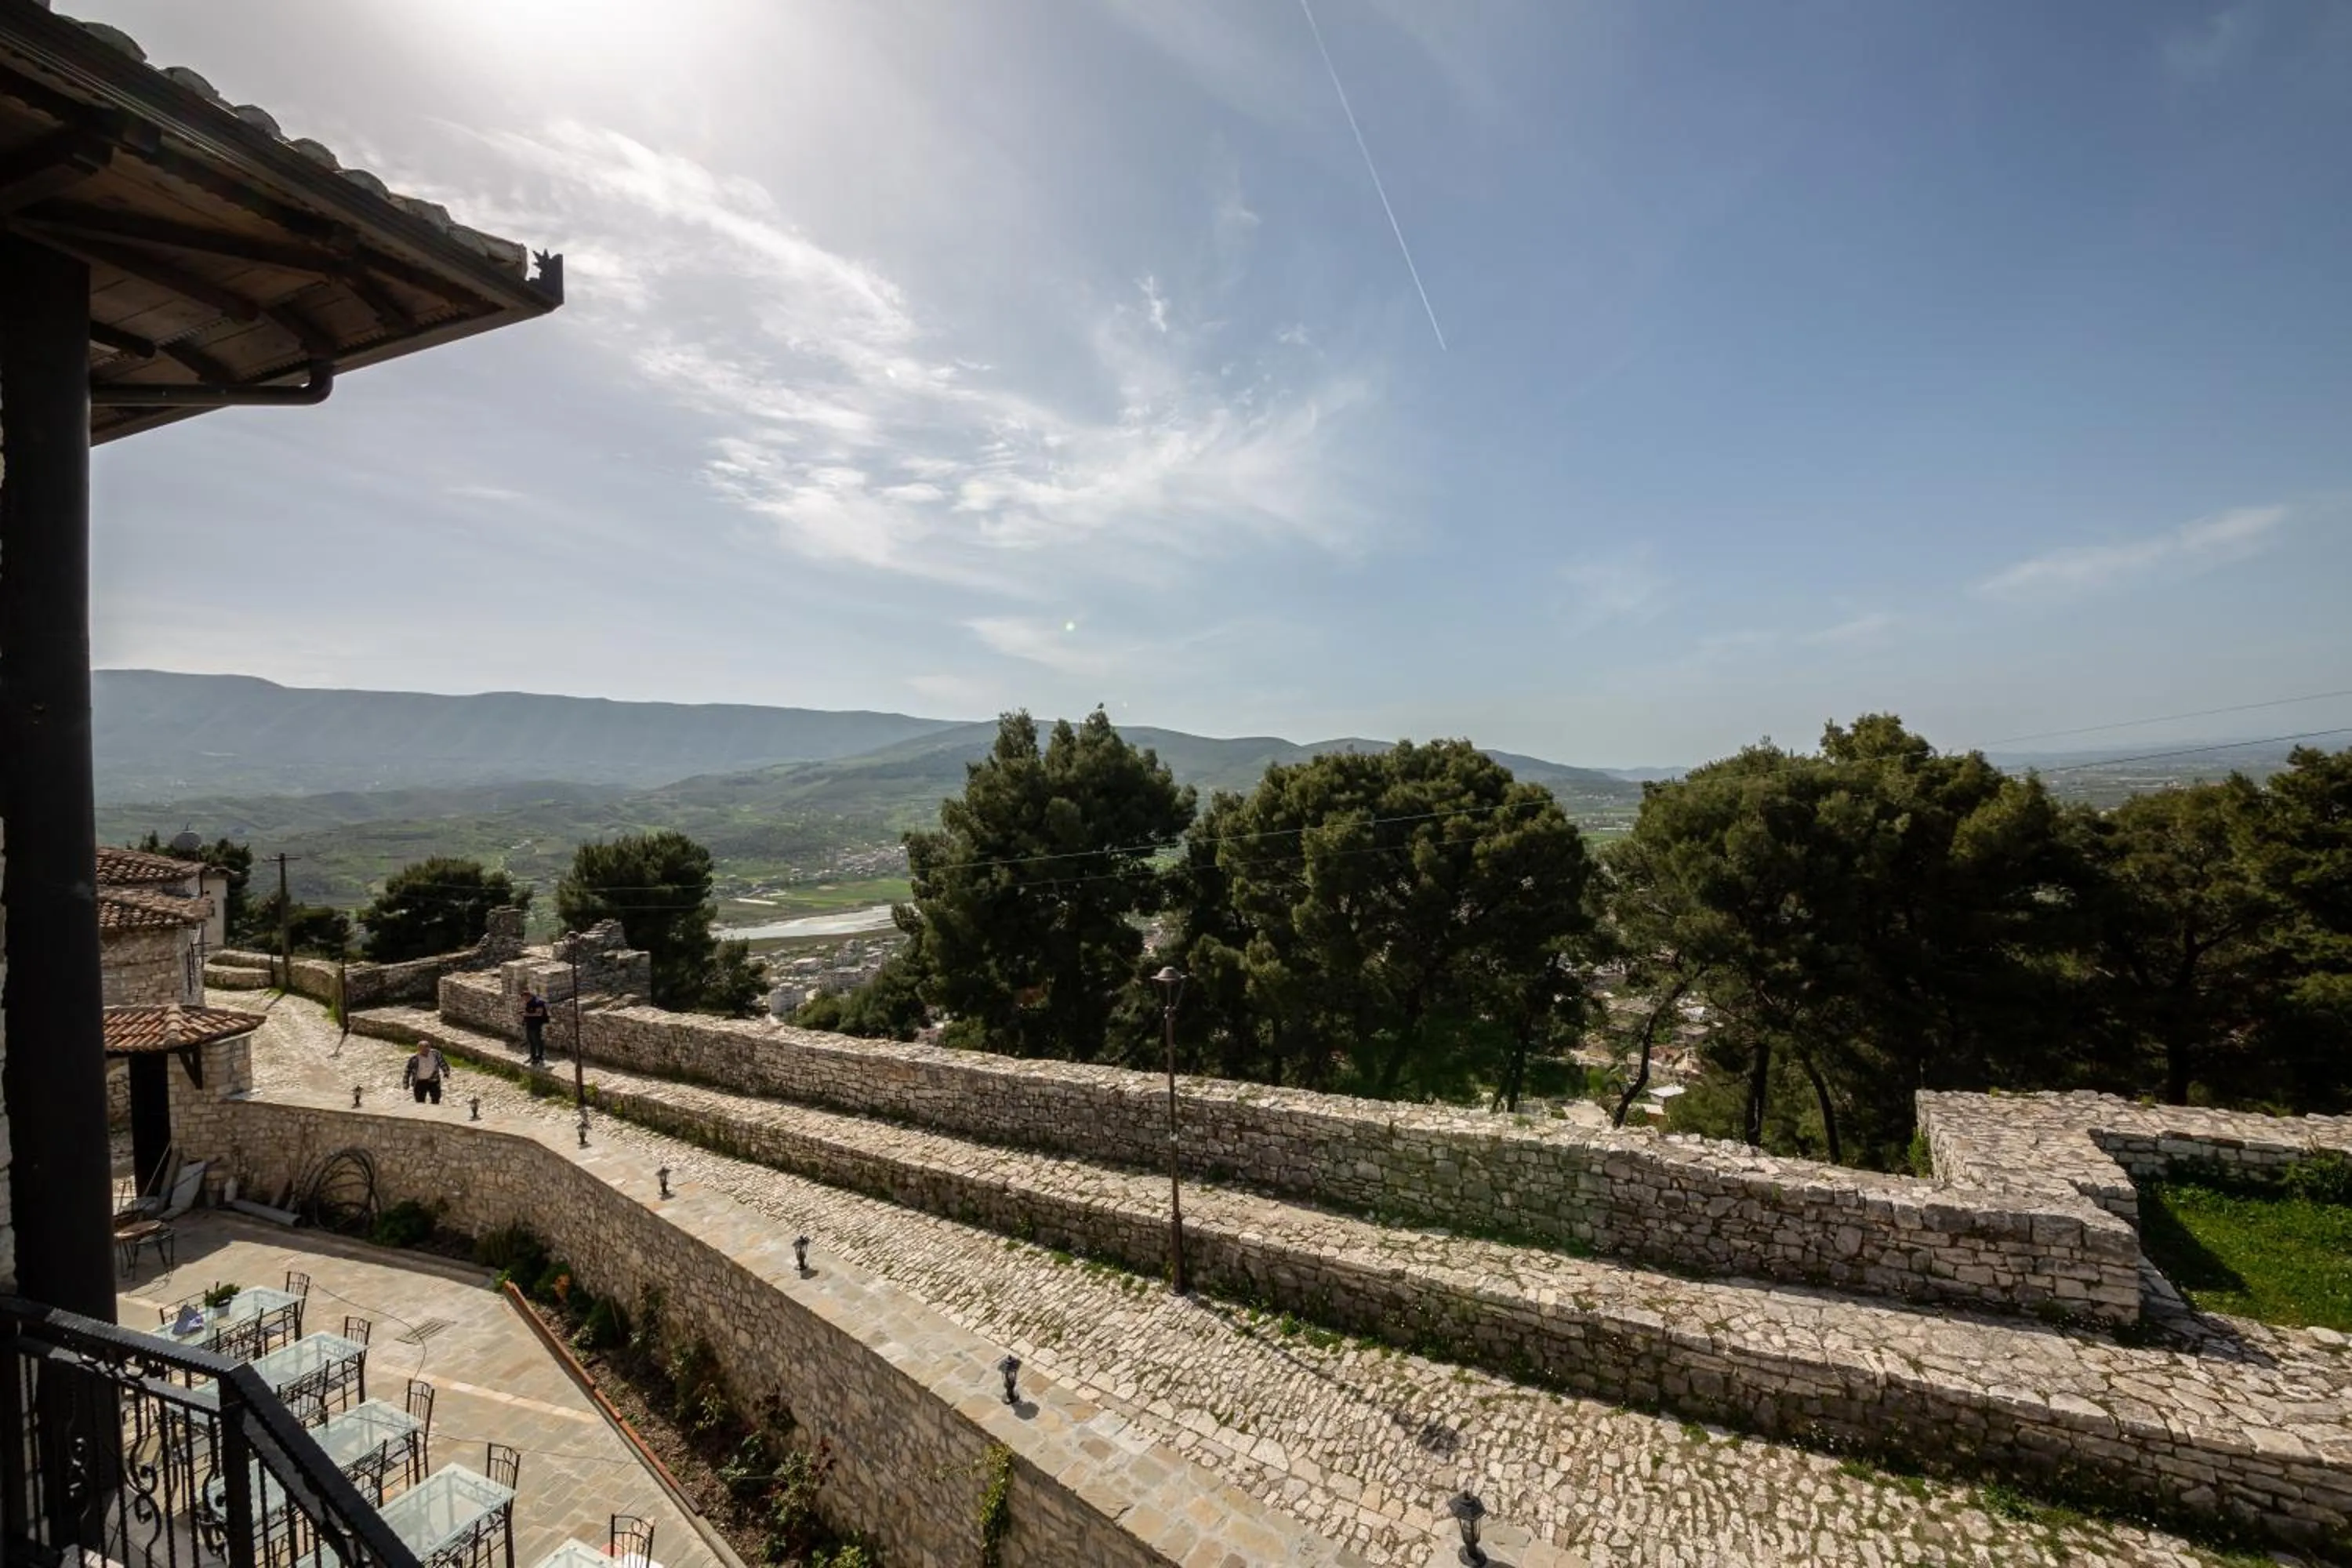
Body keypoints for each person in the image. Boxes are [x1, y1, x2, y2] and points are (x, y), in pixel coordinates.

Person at [403, 1041, 448, 1105]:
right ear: (419, 1049)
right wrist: (406, 1083)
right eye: (424, 1049)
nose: (426, 1051)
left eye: (427, 1048)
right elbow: (408, 1071)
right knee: (420, 1100)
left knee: (436, 1097)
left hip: (434, 1080)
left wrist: (446, 1071)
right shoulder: (414, 1059)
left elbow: (442, 1062)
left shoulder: (435, 1054)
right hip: (420, 1081)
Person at [522, 989, 550, 1067]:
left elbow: (539, 1013)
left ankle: (540, 1057)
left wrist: (527, 1015)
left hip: (537, 1025)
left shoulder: (538, 1002)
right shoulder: (528, 1003)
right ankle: (533, 1057)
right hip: (530, 1025)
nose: (524, 1000)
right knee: (531, 1041)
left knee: (538, 1041)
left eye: (525, 998)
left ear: (529, 996)